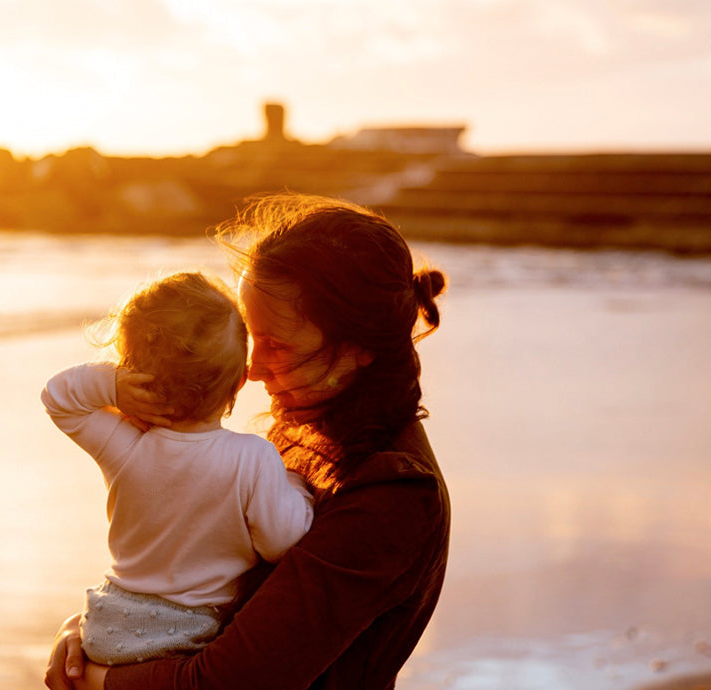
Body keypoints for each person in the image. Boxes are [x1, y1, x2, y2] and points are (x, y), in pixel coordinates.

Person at [45, 193, 451, 690]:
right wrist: (94, 628)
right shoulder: (304, 434)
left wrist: (96, 676)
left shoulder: (393, 493)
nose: (252, 371)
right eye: (251, 339)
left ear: (359, 347)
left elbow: (228, 681)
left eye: (276, 345)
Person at [41, 271, 314, 667]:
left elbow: (59, 399)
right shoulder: (254, 458)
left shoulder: (125, 447)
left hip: (106, 623)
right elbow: (282, 541)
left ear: (133, 370)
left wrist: (112, 388)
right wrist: (296, 487)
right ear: (239, 381)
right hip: (186, 634)